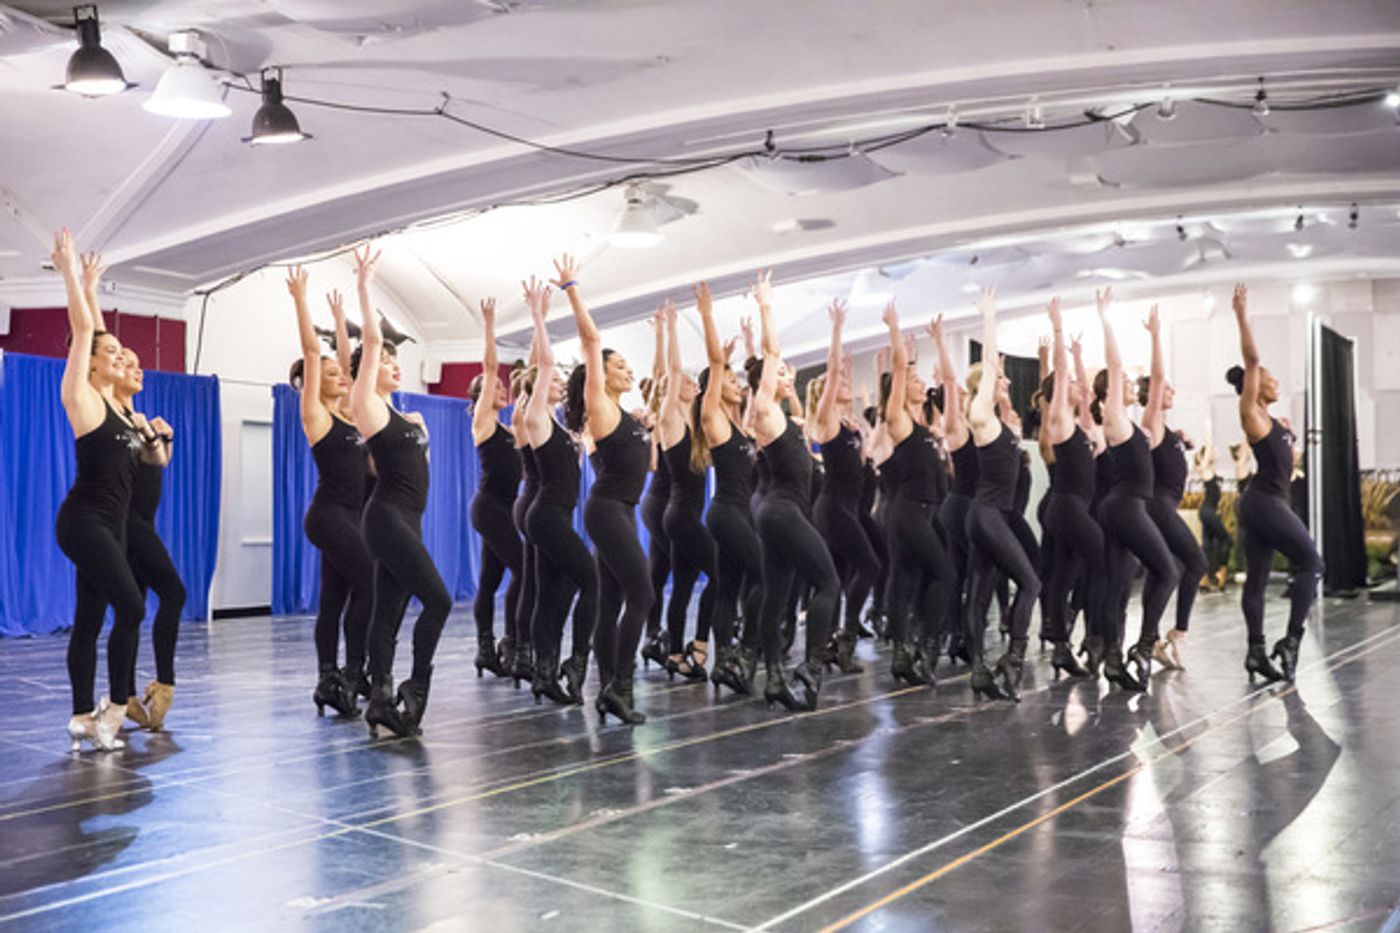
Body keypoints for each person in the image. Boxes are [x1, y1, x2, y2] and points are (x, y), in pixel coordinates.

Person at [349, 246, 451, 738]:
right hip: (385, 516)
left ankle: (381, 700)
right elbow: (370, 342)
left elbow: (422, 472)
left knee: (388, 612)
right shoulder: (366, 407)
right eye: (384, 360)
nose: (391, 363)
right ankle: (417, 688)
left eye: (394, 359)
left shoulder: (411, 416)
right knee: (439, 600)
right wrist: (366, 287)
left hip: (408, 518)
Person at [52, 233, 147, 751]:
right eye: (106, 351)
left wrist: (92, 286)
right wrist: (73, 274)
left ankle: (79, 715)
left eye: (116, 350)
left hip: (109, 523)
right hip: (83, 521)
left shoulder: (120, 410)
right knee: (131, 607)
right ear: (88, 361)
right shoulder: (81, 397)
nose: (114, 355)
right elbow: (84, 329)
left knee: (90, 618)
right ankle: (113, 708)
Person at [555, 256, 656, 725]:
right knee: (643, 592)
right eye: (620, 365)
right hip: (607, 509)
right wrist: (572, 288)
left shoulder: (630, 415)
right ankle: (620, 685)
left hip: (623, 509)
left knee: (614, 598)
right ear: (601, 374)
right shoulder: (602, 407)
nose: (627, 369)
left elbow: (650, 463)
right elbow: (592, 341)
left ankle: (607, 687)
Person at [748, 270, 840, 711]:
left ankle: (774, 677)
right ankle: (812, 666)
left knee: (777, 594)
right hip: (781, 511)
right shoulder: (763, 409)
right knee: (828, 583)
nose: (786, 375)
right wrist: (766, 306)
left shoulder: (784, 418)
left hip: (777, 511)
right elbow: (770, 352)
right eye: (781, 373)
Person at [1228, 284, 1324, 683]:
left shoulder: (1275, 423)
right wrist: (1241, 314)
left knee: (1258, 579)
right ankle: (1291, 642)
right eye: (1267, 377)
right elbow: (1252, 358)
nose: (1272, 379)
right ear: (1253, 386)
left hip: (1264, 502)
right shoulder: (1251, 411)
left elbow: (1287, 463)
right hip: (1265, 502)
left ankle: (1255, 653)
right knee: (1313, 565)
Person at [287, 267, 371, 718]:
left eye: (343, 373)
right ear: (316, 380)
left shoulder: (352, 415)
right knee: (370, 585)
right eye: (332, 373)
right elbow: (312, 352)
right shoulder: (315, 415)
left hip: (352, 516)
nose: (341, 377)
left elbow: (347, 362)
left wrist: (342, 321)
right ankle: (351, 674)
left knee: (335, 599)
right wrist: (303, 300)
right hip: (328, 515)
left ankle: (328, 680)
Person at [1091, 293, 1180, 691]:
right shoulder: (1113, 417)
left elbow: (1158, 382)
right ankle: (1143, 648)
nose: (1128, 382)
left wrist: (1157, 336)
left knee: (1118, 585)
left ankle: (1113, 658)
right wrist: (1106, 320)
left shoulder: (1138, 424)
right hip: (1125, 507)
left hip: (1120, 507)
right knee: (1167, 570)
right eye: (1124, 382)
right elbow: (1113, 365)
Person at [520, 277, 596, 706]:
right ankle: (575, 662)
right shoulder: (535, 418)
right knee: (592, 582)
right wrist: (538, 317)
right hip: (545, 515)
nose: (560, 381)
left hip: (556, 516)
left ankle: (544, 673)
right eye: (555, 379)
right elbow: (542, 366)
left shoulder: (562, 422)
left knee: (552, 596)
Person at [961, 289, 1041, 701]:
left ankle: (979, 669)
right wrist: (990, 317)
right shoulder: (980, 416)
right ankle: (1012, 659)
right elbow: (989, 368)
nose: (1005, 379)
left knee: (979, 593)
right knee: (1030, 583)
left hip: (988, 515)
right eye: (999, 378)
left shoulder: (1003, 424)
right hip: (987, 514)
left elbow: (995, 373)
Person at [692, 282, 763, 695]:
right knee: (763, 576)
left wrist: (750, 348)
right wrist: (706, 316)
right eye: (731, 380)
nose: (738, 384)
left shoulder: (740, 424)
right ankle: (742, 652)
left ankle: (724, 661)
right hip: (726, 513)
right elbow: (716, 365)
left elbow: (759, 374)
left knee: (727, 587)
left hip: (739, 512)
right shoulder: (713, 421)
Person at [878, 305, 955, 686]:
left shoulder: (924, 424)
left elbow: (946, 385)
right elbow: (897, 368)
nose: (920, 383)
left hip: (924, 513)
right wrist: (896, 333)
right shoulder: (899, 419)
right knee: (943, 574)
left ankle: (902, 655)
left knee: (906, 579)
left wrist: (933, 347)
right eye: (913, 379)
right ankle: (925, 648)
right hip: (908, 511)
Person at [112, 345, 185, 730]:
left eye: (139, 364)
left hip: (143, 521)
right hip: (126, 522)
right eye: (125, 362)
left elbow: (157, 465)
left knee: (131, 610)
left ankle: (125, 693)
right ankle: (164, 683)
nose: (136, 369)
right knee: (174, 593)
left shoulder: (134, 417)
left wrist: (161, 437)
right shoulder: (112, 417)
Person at [809, 301, 878, 674]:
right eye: (842, 383)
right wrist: (837, 330)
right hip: (833, 507)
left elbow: (865, 464)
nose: (847, 385)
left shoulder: (850, 427)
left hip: (846, 507)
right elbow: (834, 371)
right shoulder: (826, 421)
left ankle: (827, 645)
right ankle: (846, 640)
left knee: (836, 577)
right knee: (869, 566)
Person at [1037, 299, 1098, 680]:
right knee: (1103, 565)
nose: (1078, 385)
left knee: (1065, 573)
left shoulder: (1081, 422)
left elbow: (1085, 391)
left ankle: (1062, 643)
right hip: (1067, 505)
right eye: (1071, 384)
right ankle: (1097, 640)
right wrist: (1057, 328)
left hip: (1073, 506)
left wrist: (1078, 356)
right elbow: (1060, 378)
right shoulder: (1058, 420)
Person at [656, 301, 716, 680]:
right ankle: (699, 645)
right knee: (722, 575)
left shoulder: (696, 426)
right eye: (690, 383)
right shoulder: (670, 420)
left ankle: (675, 653)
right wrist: (672, 330)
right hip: (680, 516)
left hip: (689, 515)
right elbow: (673, 370)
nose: (694, 386)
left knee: (682, 587)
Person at [1140, 350, 1208, 672]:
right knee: (1195, 563)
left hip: (1163, 506)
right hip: (1158, 506)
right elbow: (1156, 383)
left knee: (1161, 572)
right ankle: (1176, 632)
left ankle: (1151, 640)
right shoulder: (1151, 421)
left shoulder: (1167, 430)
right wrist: (1156, 338)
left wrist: (1182, 442)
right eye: (1167, 389)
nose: (1172, 393)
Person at [469, 297, 524, 680]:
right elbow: (490, 369)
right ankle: (509, 642)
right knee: (523, 570)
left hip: (505, 506)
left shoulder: (509, 427)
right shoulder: (483, 421)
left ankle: (486, 649)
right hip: (489, 507)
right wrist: (490, 327)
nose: (502, 390)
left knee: (491, 580)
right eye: (494, 389)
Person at [1194, 440, 1232, 592]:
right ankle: (1220, 571)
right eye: (1213, 451)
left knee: (1208, 546)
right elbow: (1208, 450)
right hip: (1206, 511)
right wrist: (1209, 433)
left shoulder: (1211, 471)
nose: (1216, 453)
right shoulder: (1204, 470)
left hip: (1209, 511)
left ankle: (1204, 577)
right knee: (1227, 539)